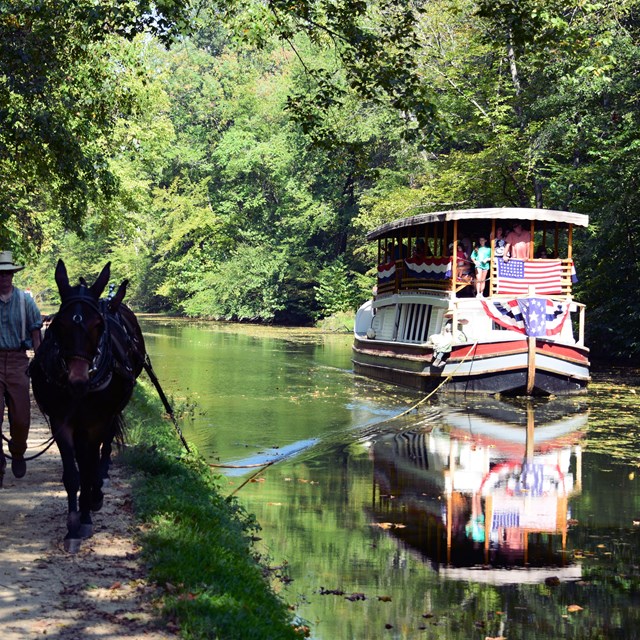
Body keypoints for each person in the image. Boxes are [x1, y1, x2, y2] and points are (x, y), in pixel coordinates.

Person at [0, 251, 42, 478]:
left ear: (12, 276)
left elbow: (36, 333)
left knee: (21, 418)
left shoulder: (26, 301)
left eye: (7, 274)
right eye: (0, 274)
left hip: (18, 361)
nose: (3, 278)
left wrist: (41, 361)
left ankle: (17, 452)